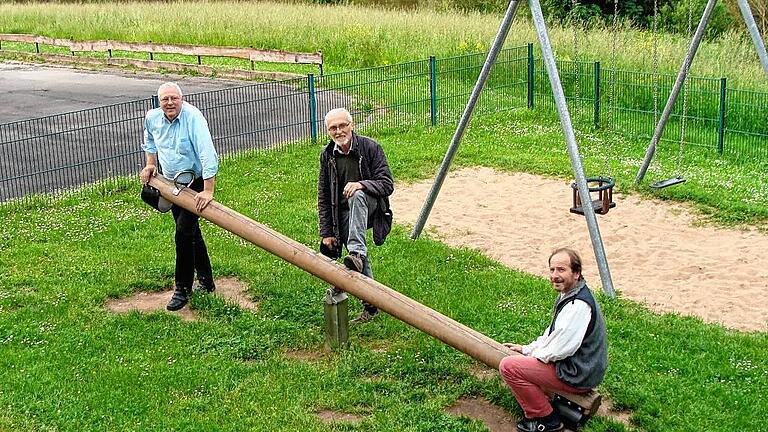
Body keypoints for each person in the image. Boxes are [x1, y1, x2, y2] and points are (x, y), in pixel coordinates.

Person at [499, 248, 608, 432]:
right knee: (521, 362)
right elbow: (553, 333)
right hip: (580, 367)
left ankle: (545, 419)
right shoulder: (571, 294)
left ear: (576, 273)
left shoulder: (577, 305)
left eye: (561, 270)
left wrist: (531, 357)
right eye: (552, 270)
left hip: (577, 373)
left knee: (509, 367)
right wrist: (527, 349)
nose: (555, 276)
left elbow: (560, 349)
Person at [140, 82, 219, 312]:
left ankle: (182, 289)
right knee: (191, 231)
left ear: (181, 99)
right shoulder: (152, 118)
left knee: (183, 233)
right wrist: (150, 165)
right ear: (159, 102)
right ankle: (206, 280)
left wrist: (208, 190)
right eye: (165, 99)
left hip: (194, 181)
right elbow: (150, 141)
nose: (170, 103)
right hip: (171, 183)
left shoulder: (193, 118)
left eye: (174, 98)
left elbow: (207, 153)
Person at [318, 108, 394, 323]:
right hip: (342, 211)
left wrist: (361, 184)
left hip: (370, 205)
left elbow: (387, 184)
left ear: (352, 126)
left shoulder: (370, 147)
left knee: (357, 196)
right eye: (333, 128)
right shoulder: (327, 156)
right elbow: (323, 196)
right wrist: (326, 232)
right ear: (328, 131)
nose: (339, 131)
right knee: (355, 251)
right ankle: (370, 305)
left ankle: (357, 253)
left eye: (343, 125)